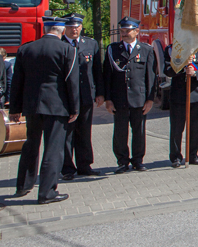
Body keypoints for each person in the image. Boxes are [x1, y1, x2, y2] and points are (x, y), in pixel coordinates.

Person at [8, 16, 79, 204]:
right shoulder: (67, 50)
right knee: (53, 149)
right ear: (62, 31)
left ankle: (23, 185)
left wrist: (14, 108)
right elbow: (71, 83)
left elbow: (17, 82)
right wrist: (74, 108)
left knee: (30, 145)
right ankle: (47, 192)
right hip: (57, 107)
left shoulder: (26, 48)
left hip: (32, 106)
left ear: (45, 29)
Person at [103, 16, 156, 172]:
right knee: (120, 132)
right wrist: (108, 99)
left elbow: (150, 77)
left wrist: (150, 99)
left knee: (139, 131)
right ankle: (122, 161)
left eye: (127, 30)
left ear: (137, 31)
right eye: (122, 31)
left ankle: (138, 160)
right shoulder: (112, 50)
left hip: (139, 98)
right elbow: (106, 76)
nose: (124, 34)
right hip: (119, 98)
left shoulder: (146, 50)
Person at [60, 13, 104, 179]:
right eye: (71, 26)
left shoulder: (90, 44)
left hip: (86, 96)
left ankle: (85, 165)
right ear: (65, 28)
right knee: (67, 134)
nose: (74, 29)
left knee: (84, 132)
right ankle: (67, 168)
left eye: (77, 26)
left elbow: (96, 71)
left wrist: (100, 93)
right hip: (66, 98)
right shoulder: (60, 43)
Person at [164, 43, 198, 167]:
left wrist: (195, 73)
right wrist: (182, 67)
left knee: (196, 129)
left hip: (196, 95)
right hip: (178, 96)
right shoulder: (173, 49)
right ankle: (175, 157)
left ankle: (193, 155)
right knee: (176, 129)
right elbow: (167, 70)